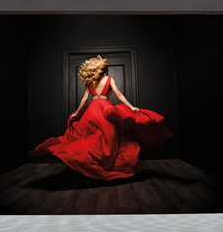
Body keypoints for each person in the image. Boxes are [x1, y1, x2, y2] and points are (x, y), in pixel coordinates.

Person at [29, 56, 172, 180]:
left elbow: (85, 99)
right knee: (109, 138)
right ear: (101, 67)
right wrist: (131, 107)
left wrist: (78, 112)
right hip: (105, 108)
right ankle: (105, 163)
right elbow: (119, 95)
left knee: (92, 136)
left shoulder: (89, 81)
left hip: (92, 110)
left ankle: (90, 161)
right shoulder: (109, 79)